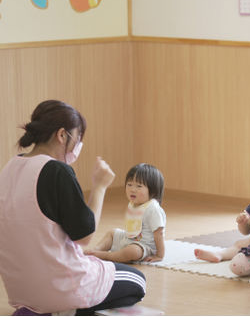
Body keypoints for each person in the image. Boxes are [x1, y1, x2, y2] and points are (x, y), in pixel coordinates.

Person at [0, 100, 146, 316]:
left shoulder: (10, 166)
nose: (77, 146)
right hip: (61, 288)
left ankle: (39, 310)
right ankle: (68, 309)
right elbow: (84, 236)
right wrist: (99, 186)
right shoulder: (57, 171)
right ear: (62, 135)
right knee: (138, 281)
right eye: (77, 138)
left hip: (21, 290)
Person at [86, 163, 167, 263]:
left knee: (132, 251)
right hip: (129, 238)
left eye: (139, 186)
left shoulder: (153, 209)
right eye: (129, 185)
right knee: (112, 232)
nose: (132, 189)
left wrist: (159, 255)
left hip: (144, 246)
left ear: (153, 190)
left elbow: (159, 233)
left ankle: (106, 256)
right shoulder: (134, 204)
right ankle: (95, 251)